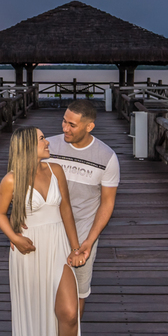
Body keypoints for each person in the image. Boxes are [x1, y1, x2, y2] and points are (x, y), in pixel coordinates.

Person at [0, 126, 87, 336]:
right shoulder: (11, 180)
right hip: (29, 252)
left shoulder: (56, 170)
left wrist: (76, 248)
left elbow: (66, 209)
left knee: (69, 313)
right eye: (42, 139)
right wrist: (15, 236)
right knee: (35, 310)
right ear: (26, 147)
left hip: (58, 247)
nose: (48, 142)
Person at [47, 99, 119, 324]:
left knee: (78, 292)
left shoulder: (107, 157)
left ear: (89, 126)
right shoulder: (47, 147)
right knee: (44, 290)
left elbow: (107, 203)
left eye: (72, 125)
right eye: (64, 121)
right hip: (47, 231)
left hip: (82, 237)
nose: (65, 128)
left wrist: (90, 240)